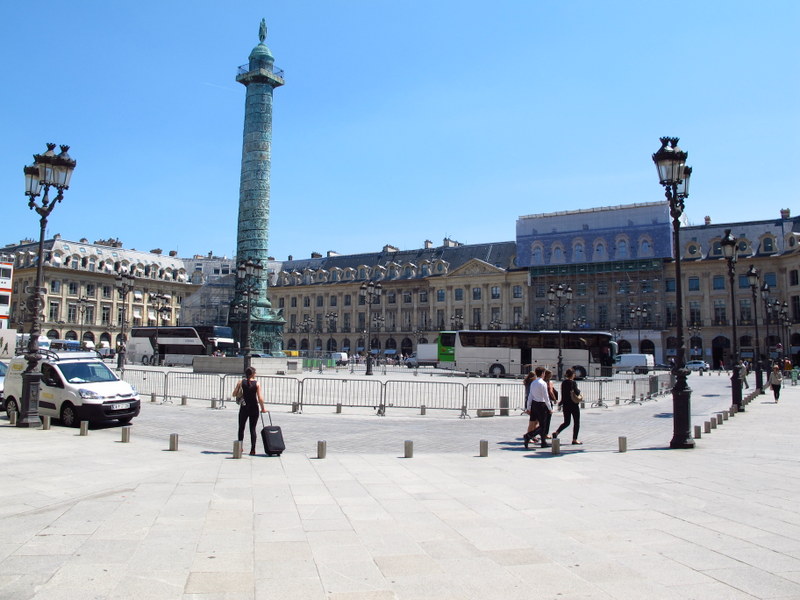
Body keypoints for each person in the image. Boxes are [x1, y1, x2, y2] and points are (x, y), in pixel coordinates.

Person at [233, 366, 267, 455]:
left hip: (244, 407)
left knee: (241, 428)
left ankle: (240, 448)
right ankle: (253, 449)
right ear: (252, 374)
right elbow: (260, 398)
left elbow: (234, 393)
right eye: (255, 373)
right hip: (254, 407)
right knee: (253, 429)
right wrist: (263, 408)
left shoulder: (241, 382)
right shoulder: (257, 383)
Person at [523, 366, 551, 449]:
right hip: (541, 404)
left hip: (534, 404)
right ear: (542, 373)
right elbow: (546, 397)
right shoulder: (543, 383)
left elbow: (530, 395)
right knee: (543, 425)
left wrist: (528, 407)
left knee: (535, 422)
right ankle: (529, 435)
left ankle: (543, 442)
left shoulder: (533, 383)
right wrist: (549, 408)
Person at [553, 368, 582, 445]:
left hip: (566, 405)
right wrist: (579, 390)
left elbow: (563, 394)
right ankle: (574, 439)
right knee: (576, 422)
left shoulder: (564, 382)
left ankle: (557, 432)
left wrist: (561, 403)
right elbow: (577, 392)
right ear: (572, 375)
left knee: (567, 422)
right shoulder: (573, 383)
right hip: (573, 405)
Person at [522, 371, 539, 444]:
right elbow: (530, 394)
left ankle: (532, 435)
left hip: (530, 403)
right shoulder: (531, 384)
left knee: (535, 421)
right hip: (531, 403)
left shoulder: (530, 383)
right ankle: (529, 435)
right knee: (533, 421)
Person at [542, 369, 557, 441]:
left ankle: (541, 433)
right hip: (548, 401)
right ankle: (545, 434)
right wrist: (554, 399)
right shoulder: (549, 382)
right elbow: (551, 391)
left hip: (541, 401)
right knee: (548, 419)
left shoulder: (542, 381)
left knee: (542, 419)